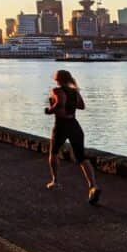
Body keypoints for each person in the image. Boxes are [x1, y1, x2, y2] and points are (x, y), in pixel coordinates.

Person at [44, 69, 101, 205]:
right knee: (81, 157)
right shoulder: (74, 91)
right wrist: (71, 103)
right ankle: (93, 186)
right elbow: (81, 106)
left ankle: (55, 181)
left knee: (53, 152)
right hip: (75, 125)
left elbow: (60, 104)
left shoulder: (57, 91)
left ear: (58, 79)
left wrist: (49, 110)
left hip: (62, 125)